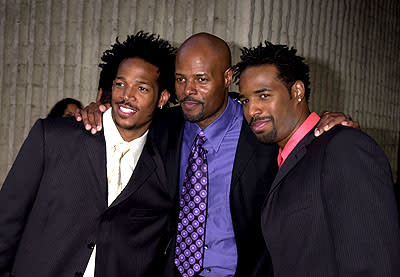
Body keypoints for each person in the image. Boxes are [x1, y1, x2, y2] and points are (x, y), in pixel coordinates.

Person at [77, 32, 360, 277]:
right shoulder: (164, 126)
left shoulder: (262, 132)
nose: (188, 91)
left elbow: (298, 133)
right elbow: (124, 122)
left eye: (201, 79)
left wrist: (331, 125)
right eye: (180, 79)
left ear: (227, 78)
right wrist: (96, 112)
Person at [0, 31, 176, 277]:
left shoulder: (165, 167)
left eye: (142, 88)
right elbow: (6, 222)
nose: (127, 96)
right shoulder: (53, 137)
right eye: (120, 83)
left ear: (162, 98)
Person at [234, 41, 400, 276]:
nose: (252, 110)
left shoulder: (344, 147)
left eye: (264, 95)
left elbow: (372, 264)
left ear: (297, 92)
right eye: (246, 100)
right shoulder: (278, 157)